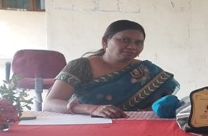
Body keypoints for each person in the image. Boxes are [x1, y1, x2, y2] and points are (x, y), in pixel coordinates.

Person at [44, 20, 179, 118]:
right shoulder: (80, 66)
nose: (132, 47)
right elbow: (50, 103)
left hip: (132, 127)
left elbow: (160, 104)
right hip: (84, 128)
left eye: (138, 43)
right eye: (124, 40)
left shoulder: (147, 70)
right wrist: (92, 109)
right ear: (105, 41)